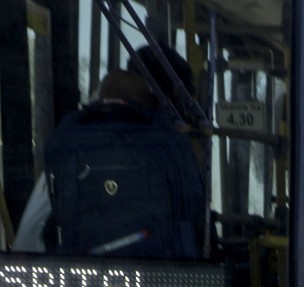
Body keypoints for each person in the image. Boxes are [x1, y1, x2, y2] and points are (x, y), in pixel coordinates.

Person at [12, 55, 205, 257]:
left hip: (71, 280)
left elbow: (28, 237)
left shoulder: (67, 143)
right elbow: (196, 229)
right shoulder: (172, 145)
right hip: (160, 280)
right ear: (163, 102)